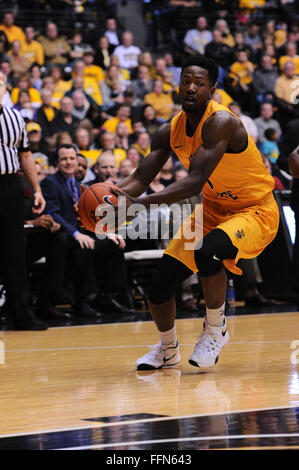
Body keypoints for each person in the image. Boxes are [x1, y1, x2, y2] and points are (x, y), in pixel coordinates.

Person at [111, 55, 279, 370]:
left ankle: (215, 330)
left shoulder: (221, 122)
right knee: (160, 284)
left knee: (209, 252)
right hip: (214, 209)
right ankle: (167, 350)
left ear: (212, 89)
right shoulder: (170, 128)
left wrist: (138, 207)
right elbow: (139, 178)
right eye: (186, 81)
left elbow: (193, 183)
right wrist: (107, 201)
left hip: (254, 209)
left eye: (199, 83)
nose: (191, 88)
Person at [0, 70, 47, 330]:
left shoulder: (16, 117)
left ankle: (22, 314)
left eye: (1, 83)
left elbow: (26, 156)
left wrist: (37, 189)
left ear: (6, 89)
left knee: (15, 252)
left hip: (9, 186)